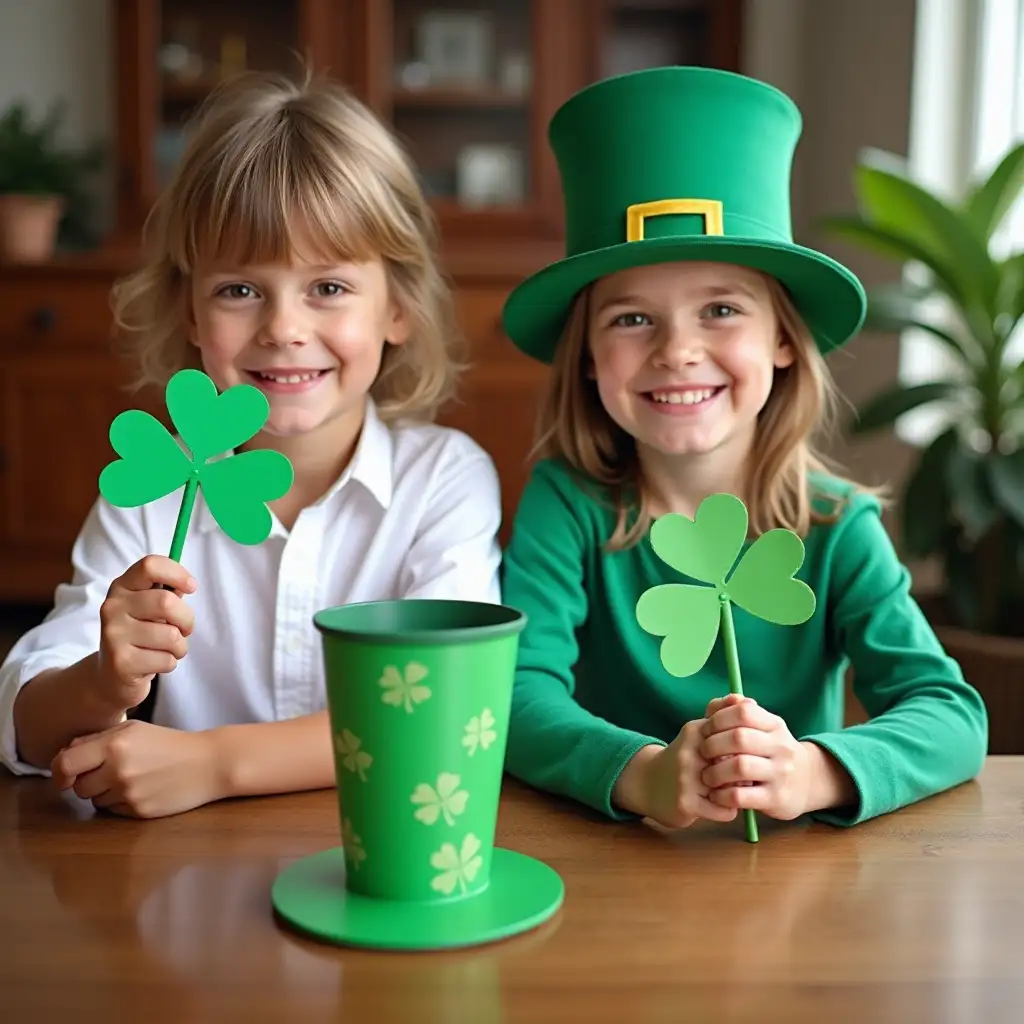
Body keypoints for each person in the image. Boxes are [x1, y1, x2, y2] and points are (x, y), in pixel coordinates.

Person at [498, 66, 987, 832]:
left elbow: (953, 715)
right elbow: (513, 697)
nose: (678, 352)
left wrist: (816, 772)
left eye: (721, 310)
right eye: (632, 320)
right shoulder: (568, 507)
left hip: (787, 884)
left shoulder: (837, 525)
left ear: (785, 340)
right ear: (587, 356)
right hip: (615, 875)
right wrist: (642, 773)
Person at [0, 72, 502, 817]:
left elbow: (444, 713)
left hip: (381, 855)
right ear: (192, 314)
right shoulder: (152, 487)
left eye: (328, 287)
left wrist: (214, 764)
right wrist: (103, 681)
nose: (284, 328)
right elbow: (26, 727)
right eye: (240, 289)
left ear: (397, 306)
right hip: (182, 886)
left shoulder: (444, 479)